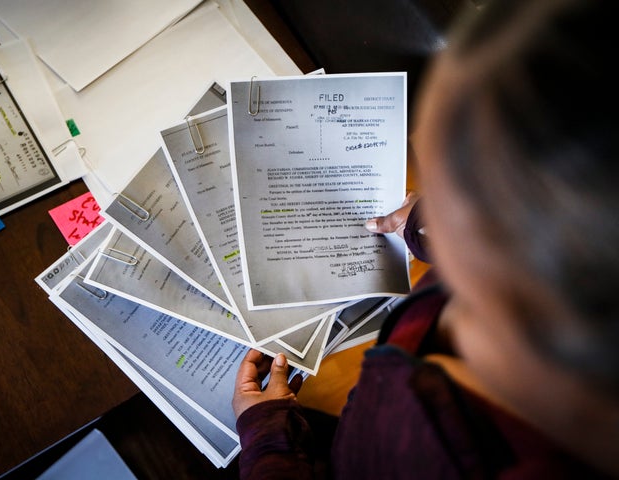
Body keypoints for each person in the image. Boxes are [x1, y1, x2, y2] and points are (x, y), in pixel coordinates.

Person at [231, 0, 619, 478]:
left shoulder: (440, 456)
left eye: (442, 188)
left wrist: (268, 440)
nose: (422, 193)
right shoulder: (548, 289)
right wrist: (422, 224)